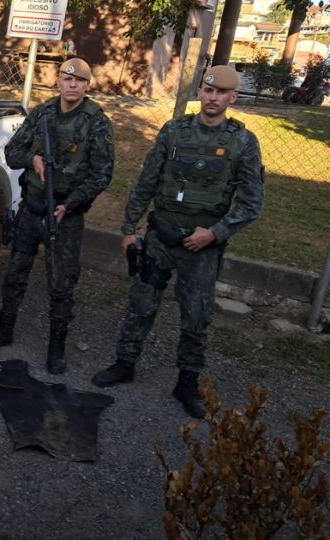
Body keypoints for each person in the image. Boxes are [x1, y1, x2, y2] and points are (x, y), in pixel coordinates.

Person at [91, 65, 265, 419]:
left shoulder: (242, 142)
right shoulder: (173, 131)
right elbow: (147, 181)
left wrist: (214, 233)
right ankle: (125, 363)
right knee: (141, 304)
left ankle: (187, 382)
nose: (213, 98)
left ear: (233, 98)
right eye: (208, 90)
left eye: (221, 93)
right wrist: (129, 228)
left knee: (196, 316)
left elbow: (251, 203)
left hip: (201, 247)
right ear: (199, 92)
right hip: (160, 236)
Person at [0, 58, 114, 375]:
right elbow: (12, 153)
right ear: (58, 81)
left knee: (61, 284)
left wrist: (71, 203)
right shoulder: (42, 113)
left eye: (79, 81)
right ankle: (4, 329)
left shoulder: (96, 122)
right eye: (67, 79)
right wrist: (33, 159)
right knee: (15, 273)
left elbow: (102, 174)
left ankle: (56, 347)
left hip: (66, 214)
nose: (73, 85)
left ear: (87, 85)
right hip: (32, 208)